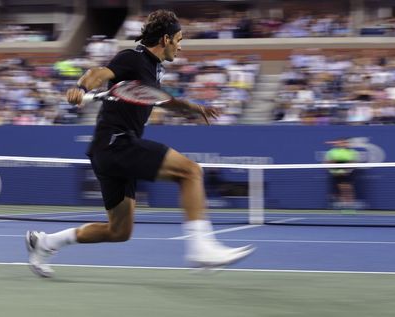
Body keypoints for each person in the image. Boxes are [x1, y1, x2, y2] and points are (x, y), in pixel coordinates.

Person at [25, 10, 255, 278]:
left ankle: (45, 243)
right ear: (166, 39)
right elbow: (97, 73)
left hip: (106, 151)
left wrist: (190, 107)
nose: (180, 46)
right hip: (116, 143)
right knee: (191, 171)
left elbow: (160, 100)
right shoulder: (132, 57)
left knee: (118, 231)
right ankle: (201, 248)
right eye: (179, 40)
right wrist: (82, 88)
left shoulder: (154, 69)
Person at [324, 138, 359, 210]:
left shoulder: (352, 152)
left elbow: (353, 162)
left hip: (348, 173)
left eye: (344, 142)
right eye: (341, 142)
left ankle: (350, 206)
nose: (343, 144)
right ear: (337, 143)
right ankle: (344, 206)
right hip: (336, 173)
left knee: (348, 189)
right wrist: (335, 169)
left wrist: (346, 170)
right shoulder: (332, 152)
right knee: (341, 189)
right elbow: (328, 162)